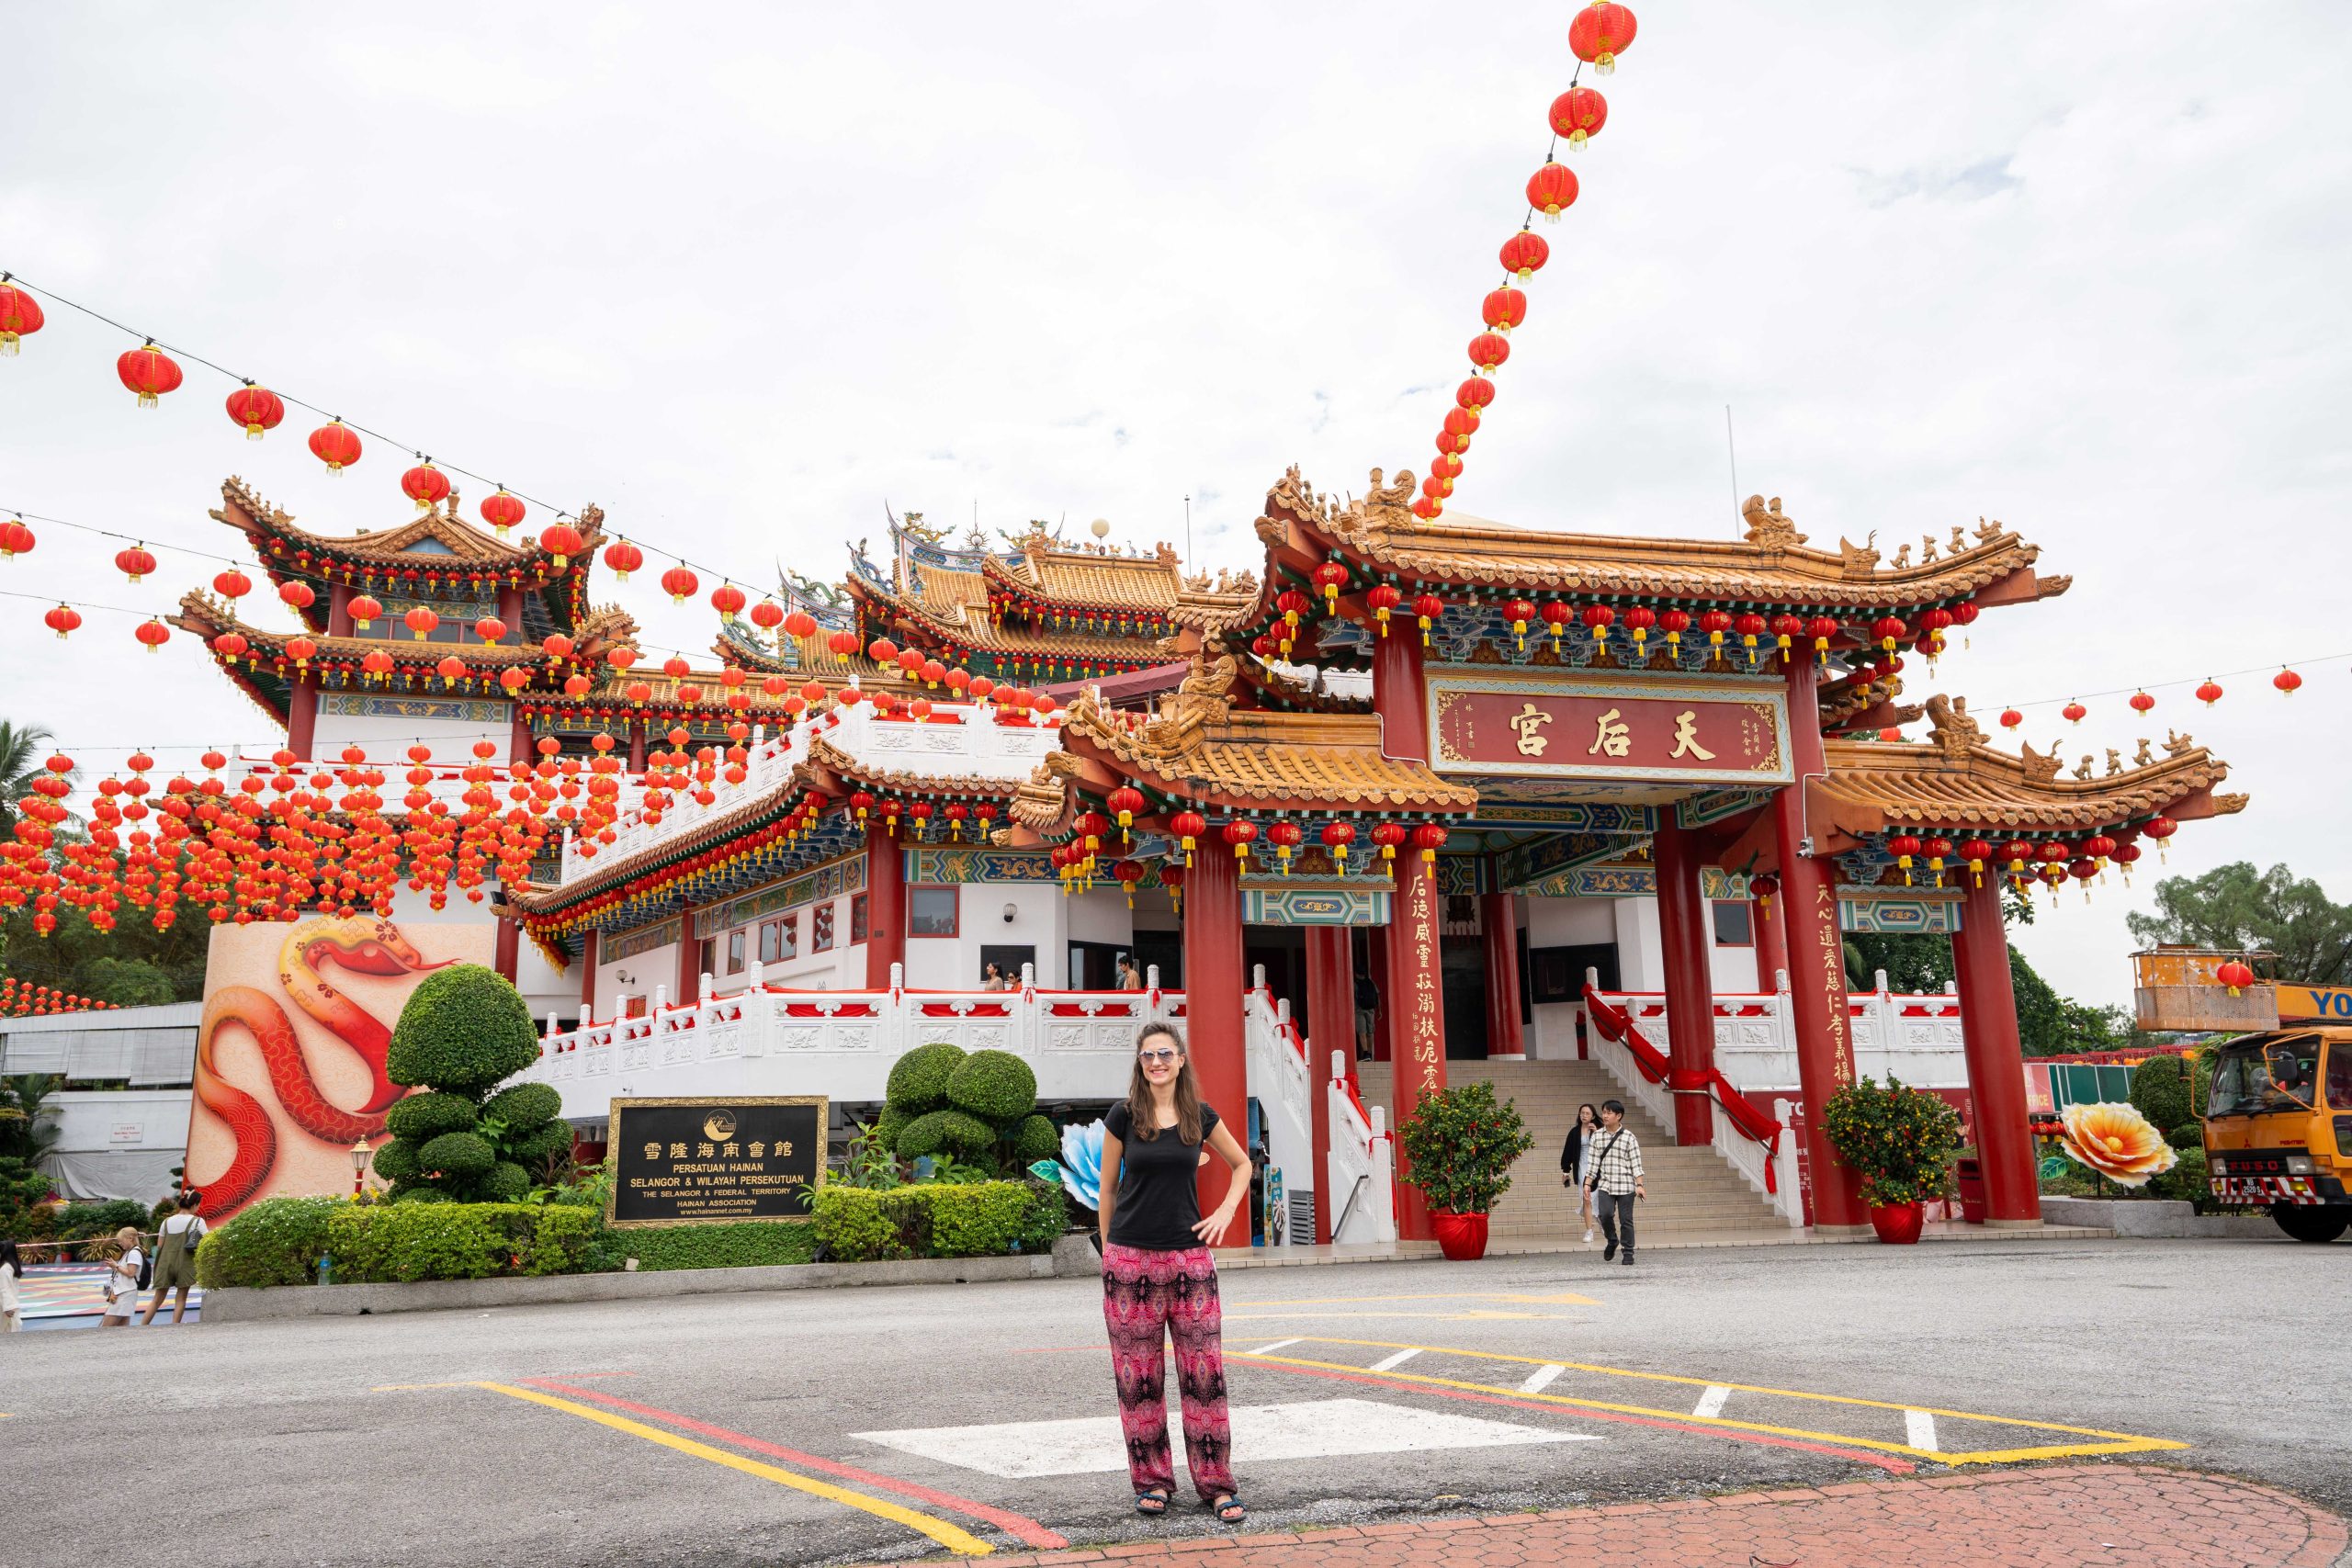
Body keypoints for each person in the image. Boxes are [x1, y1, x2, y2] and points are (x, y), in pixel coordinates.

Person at [1098, 1022, 1250, 1526]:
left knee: (1205, 1376)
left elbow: (1242, 1165)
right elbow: (1108, 1192)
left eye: (1165, 1053)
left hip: (1190, 1263)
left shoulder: (1198, 1116)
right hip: (1130, 1263)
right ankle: (1153, 1481)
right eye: (1148, 1056)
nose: (1157, 1062)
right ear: (1140, 1064)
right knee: (1138, 1380)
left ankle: (1216, 1484)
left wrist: (1225, 1212)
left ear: (1181, 1060)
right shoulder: (1124, 1116)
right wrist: (1108, 1253)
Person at [1584, 1100, 1645, 1266]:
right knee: (1604, 1215)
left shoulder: (1629, 1137)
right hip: (1605, 1185)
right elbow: (1593, 1162)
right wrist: (1587, 1183)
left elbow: (1636, 1164)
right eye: (1603, 1112)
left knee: (1626, 1220)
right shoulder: (1597, 1136)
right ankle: (1612, 1241)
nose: (1604, 1115)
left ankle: (1628, 1252)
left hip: (1625, 1185)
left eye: (1609, 1113)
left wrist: (1639, 1185)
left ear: (1619, 1116)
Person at [141, 1190, 208, 1325]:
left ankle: (142, 1325)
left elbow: (159, 1245)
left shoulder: (166, 1221)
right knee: (181, 1297)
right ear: (195, 1204)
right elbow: (207, 1240)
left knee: (157, 1299)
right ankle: (174, 1326)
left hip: (166, 1262)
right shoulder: (197, 1221)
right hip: (184, 1262)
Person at [1560, 1101, 1601, 1245]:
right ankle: (1589, 1231)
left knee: (1599, 1199)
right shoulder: (1574, 1132)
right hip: (1582, 1168)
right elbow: (1568, 1152)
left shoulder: (1600, 1130)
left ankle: (1601, 1219)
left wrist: (1596, 1133)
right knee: (1586, 1199)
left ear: (1593, 1116)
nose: (1584, 1115)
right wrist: (1566, 1171)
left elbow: (1607, 1148)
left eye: (1587, 1113)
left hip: (1598, 1169)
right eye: (1582, 1113)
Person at [101, 1225, 143, 1326]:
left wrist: (116, 1266)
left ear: (130, 1238)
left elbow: (131, 1273)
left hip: (124, 1293)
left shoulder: (133, 1253)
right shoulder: (130, 1252)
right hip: (125, 1292)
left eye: (121, 1241)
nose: (120, 1244)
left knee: (105, 1328)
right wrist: (115, 1266)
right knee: (123, 1328)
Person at [1353, 973, 1379, 1060]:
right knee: (1370, 1032)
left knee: (1362, 1032)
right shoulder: (1371, 983)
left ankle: (1365, 1053)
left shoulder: (1355, 983)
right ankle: (1370, 1053)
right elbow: (1377, 996)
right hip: (1371, 1010)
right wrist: (1380, 1010)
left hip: (1359, 1010)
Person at [1, 1239, 23, 1333]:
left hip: (5, 1307)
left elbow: (4, 1288)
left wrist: (8, 1307)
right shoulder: (12, 1267)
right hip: (11, 1305)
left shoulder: (5, 1269)